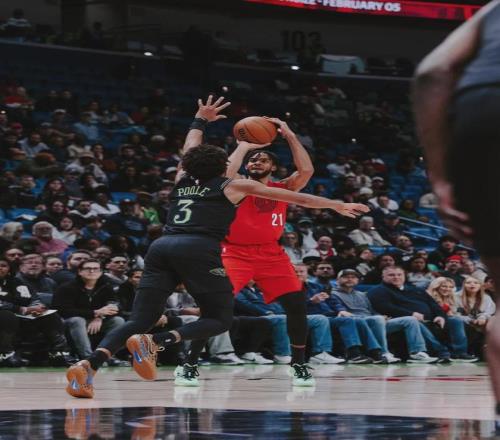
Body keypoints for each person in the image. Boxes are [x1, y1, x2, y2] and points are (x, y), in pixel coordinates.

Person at [65, 96, 369, 398]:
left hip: (162, 247)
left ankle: (89, 365)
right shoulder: (234, 185)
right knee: (219, 318)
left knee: (139, 320)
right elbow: (301, 199)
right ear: (224, 167)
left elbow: (190, 146)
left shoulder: (181, 178)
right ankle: (158, 343)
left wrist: (200, 120)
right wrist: (337, 205)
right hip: (202, 249)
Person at [368, 266, 477, 363]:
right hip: (405, 321)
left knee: (456, 320)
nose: (396, 277)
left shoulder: (415, 289)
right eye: (391, 275)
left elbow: (433, 304)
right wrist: (411, 313)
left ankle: (459, 353)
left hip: (431, 320)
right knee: (413, 320)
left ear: (404, 276)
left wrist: (440, 315)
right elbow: (385, 307)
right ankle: (440, 352)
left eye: (399, 274)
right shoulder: (378, 290)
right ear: (383, 276)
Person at [52, 259, 127, 366]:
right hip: (69, 322)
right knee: (78, 320)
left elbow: (116, 307)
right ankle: (89, 357)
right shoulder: (66, 287)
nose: (92, 271)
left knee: (118, 321)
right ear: (80, 271)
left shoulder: (106, 286)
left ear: (101, 272)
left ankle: (107, 355)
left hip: (97, 320)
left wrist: (100, 317)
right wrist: (95, 313)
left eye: (95, 269)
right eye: (88, 268)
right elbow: (63, 310)